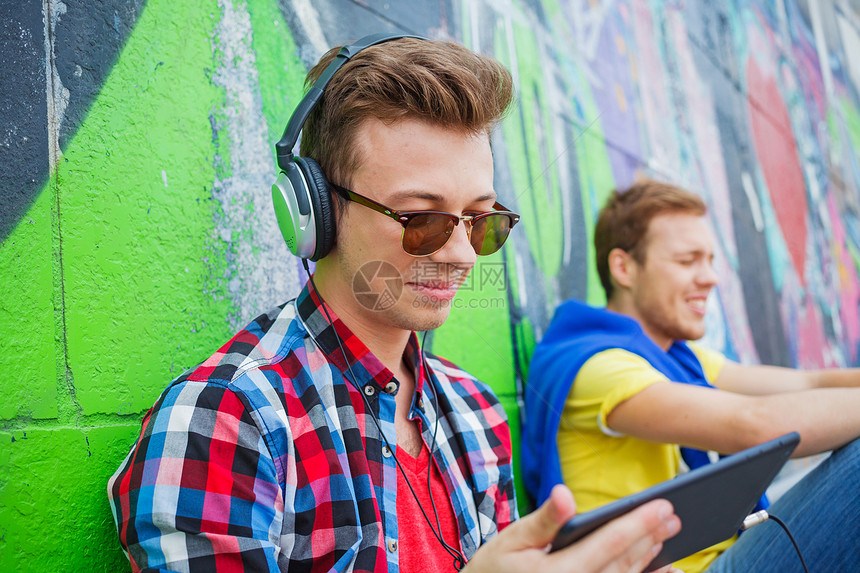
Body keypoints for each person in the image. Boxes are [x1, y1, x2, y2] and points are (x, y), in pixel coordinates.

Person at [107, 37, 681, 573]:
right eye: (422, 219)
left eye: (482, 220)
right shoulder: (227, 420)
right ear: (317, 213)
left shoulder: (476, 412)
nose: (461, 255)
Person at [523, 178, 860, 572]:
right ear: (624, 267)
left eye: (711, 260)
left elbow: (810, 383)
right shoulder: (600, 366)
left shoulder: (678, 358)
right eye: (688, 261)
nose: (711, 278)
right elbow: (757, 425)